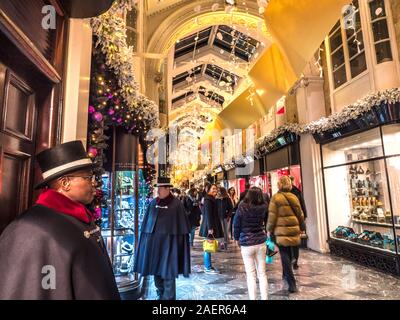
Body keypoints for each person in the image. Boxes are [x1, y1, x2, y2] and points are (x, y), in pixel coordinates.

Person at [0, 140, 120, 299]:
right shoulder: (31, 229)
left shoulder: (78, 217)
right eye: (87, 177)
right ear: (65, 183)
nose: (95, 183)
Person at [134, 177, 191, 300]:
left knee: (168, 273)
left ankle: (169, 299)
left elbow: (182, 229)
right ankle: (160, 294)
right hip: (155, 247)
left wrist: (179, 247)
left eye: (160, 188)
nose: (158, 191)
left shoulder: (177, 205)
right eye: (157, 188)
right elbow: (146, 227)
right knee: (157, 272)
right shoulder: (153, 203)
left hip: (170, 247)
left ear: (167, 188)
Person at [267, 176, 305, 293]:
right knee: (289, 253)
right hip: (293, 229)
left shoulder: (275, 198)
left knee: (284, 254)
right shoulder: (294, 197)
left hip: (281, 230)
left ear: (279, 185)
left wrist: (269, 229)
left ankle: (291, 282)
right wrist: (302, 227)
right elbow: (300, 214)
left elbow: (272, 216)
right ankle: (285, 274)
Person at [233, 187, 268, 300]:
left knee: (251, 275)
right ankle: (265, 298)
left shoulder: (242, 206)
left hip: (246, 242)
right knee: (262, 274)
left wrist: (236, 238)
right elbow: (267, 222)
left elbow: (236, 224)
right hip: (260, 242)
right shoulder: (264, 207)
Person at [199, 183, 224, 274]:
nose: (215, 190)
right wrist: (210, 228)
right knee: (208, 247)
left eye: (216, 189)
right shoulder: (208, 200)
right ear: (208, 189)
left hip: (210, 225)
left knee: (208, 247)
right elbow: (208, 214)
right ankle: (207, 268)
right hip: (209, 226)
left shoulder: (211, 199)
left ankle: (208, 266)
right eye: (213, 189)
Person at [289, 176, 308, 270]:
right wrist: (303, 219)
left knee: (290, 243)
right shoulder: (297, 192)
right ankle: (294, 261)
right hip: (295, 221)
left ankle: (292, 261)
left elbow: (302, 206)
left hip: (288, 223)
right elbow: (302, 207)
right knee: (295, 243)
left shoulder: (280, 194)